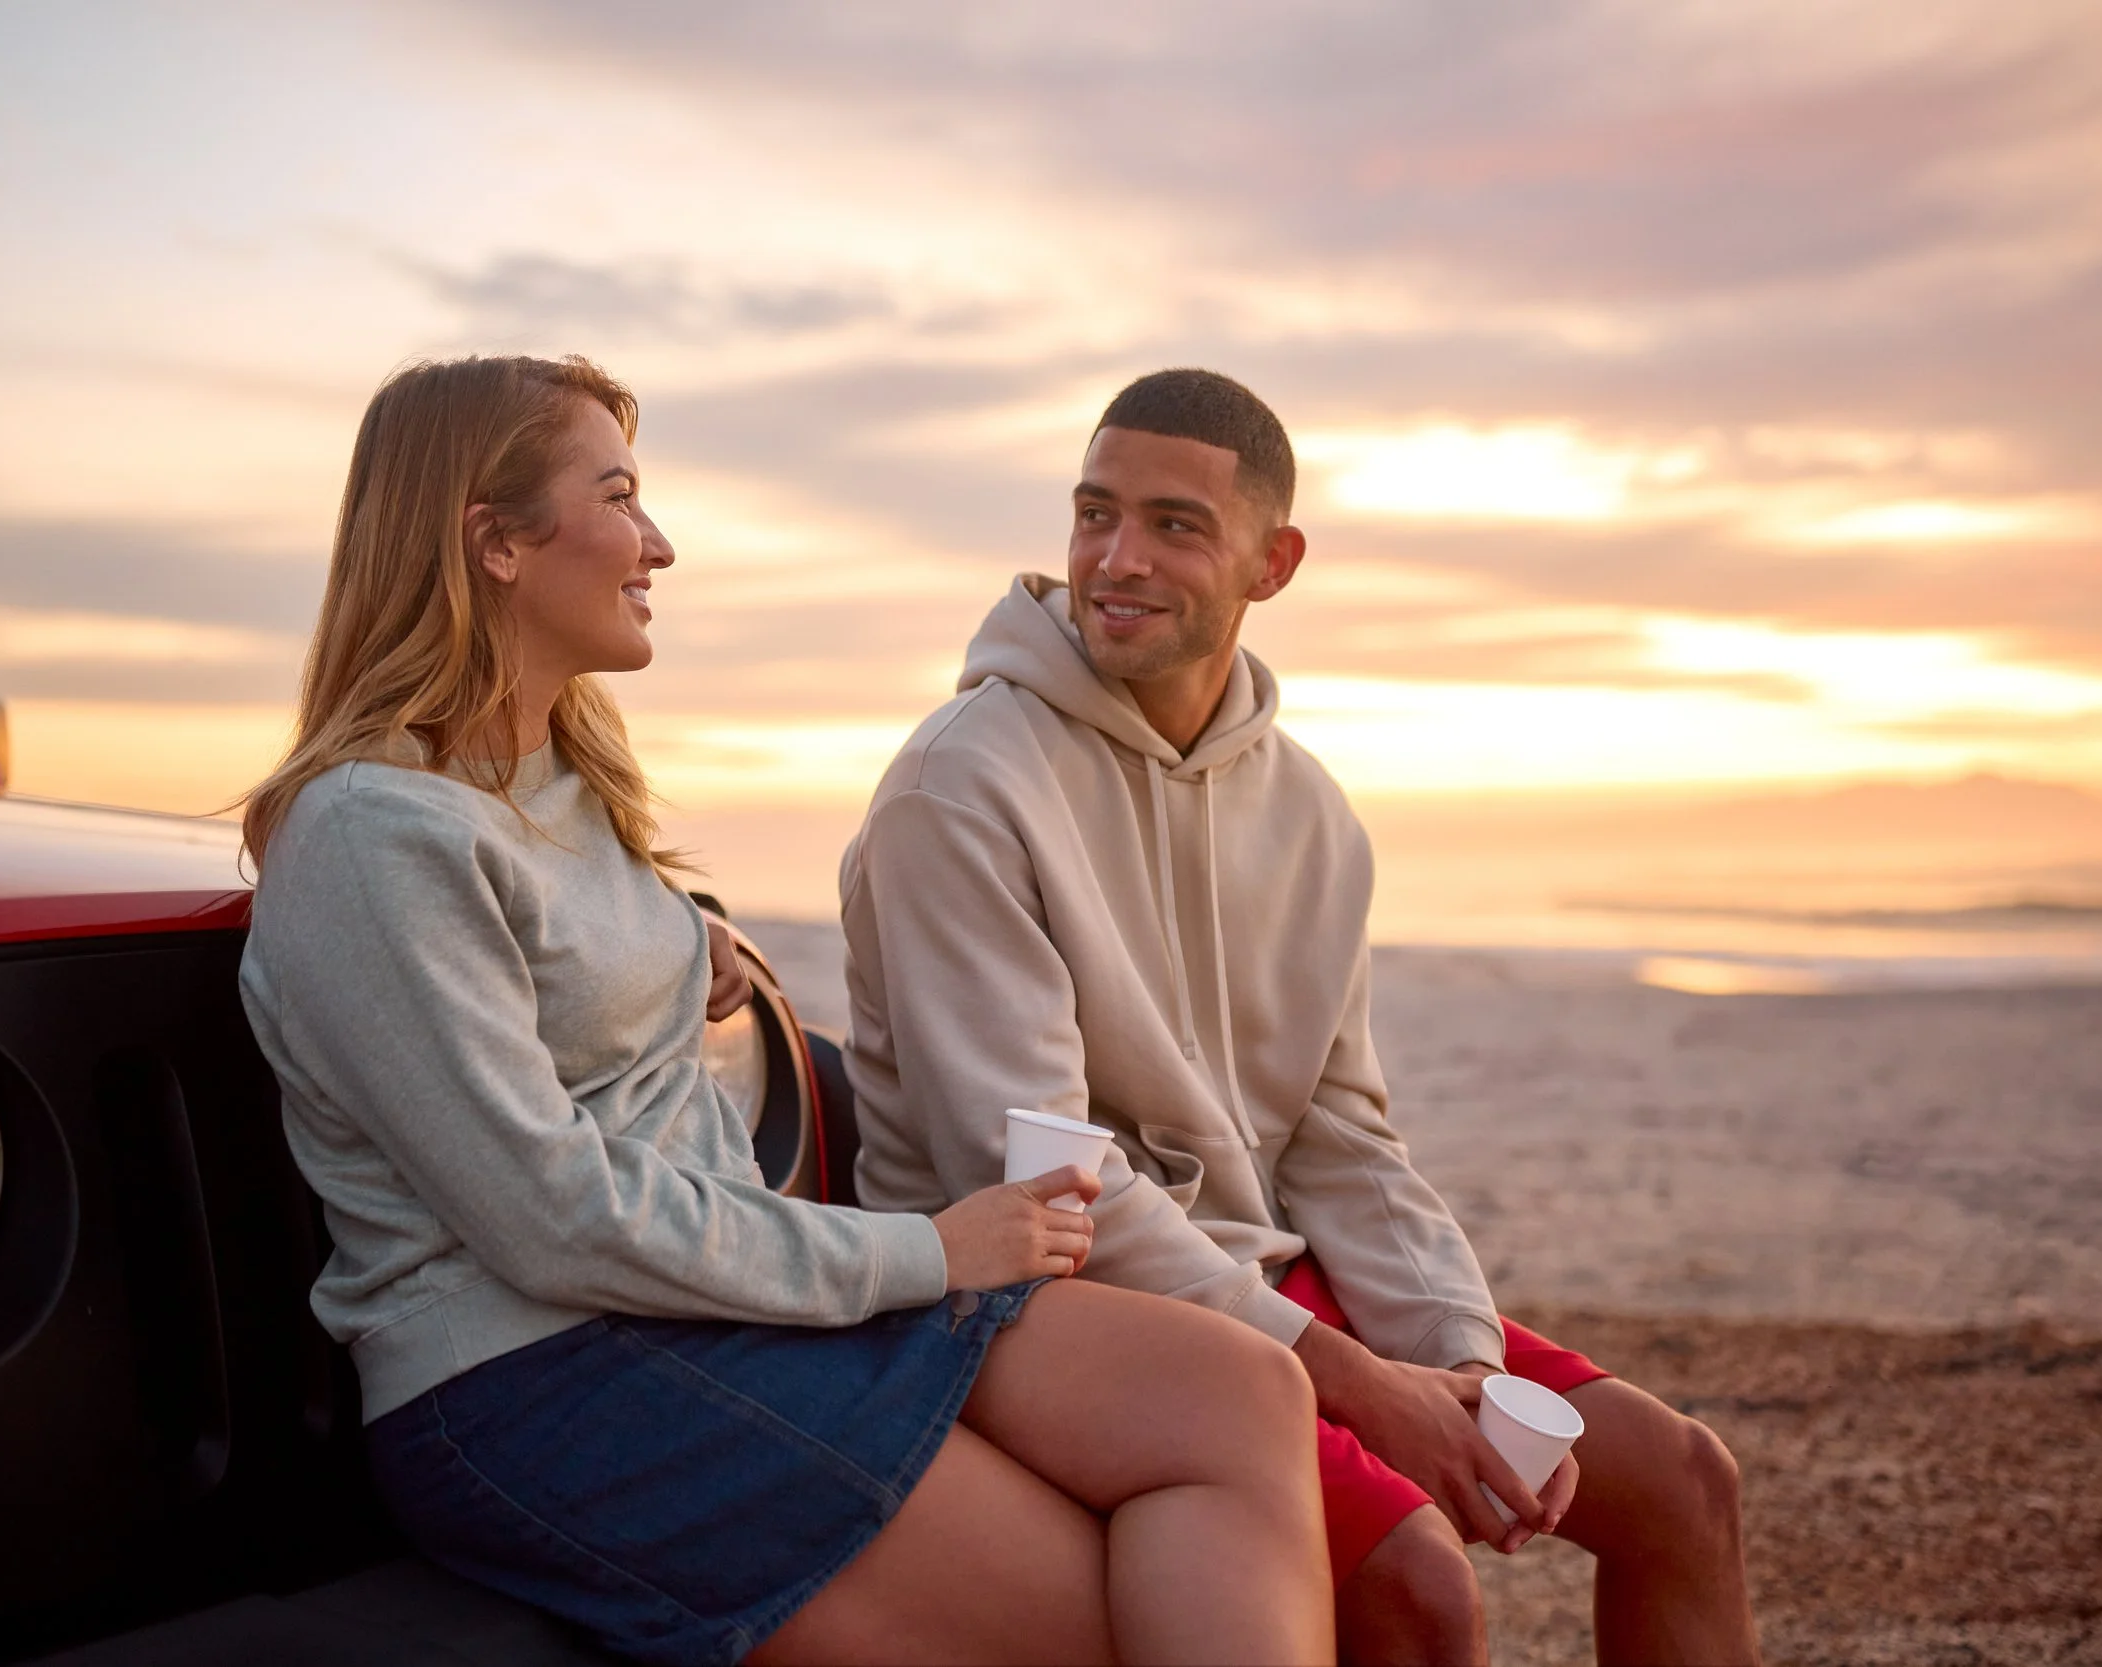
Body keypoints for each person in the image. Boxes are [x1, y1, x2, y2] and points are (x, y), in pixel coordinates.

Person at [237, 355, 1336, 1667]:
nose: (660, 543)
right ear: (495, 545)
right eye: (619, 496)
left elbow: (564, 969)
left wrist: (686, 945)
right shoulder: (373, 835)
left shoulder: (559, 782)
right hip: (544, 1375)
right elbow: (553, 1222)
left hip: (711, 1304)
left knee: (1241, 1389)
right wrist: (933, 1250)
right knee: (1102, 1613)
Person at [841, 369, 1761, 1666]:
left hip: (1260, 1267)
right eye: (1095, 513)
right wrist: (1362, 1384)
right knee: (1420, 1589)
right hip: (1031, 1296)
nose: (1117, 558)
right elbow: (1040, 1176)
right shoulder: (958, 788)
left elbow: (1342, 1137)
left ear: (1274, 562)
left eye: (1174, 524)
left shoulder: (1313, 813)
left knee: (1681, 1483)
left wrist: (1457, 1361)